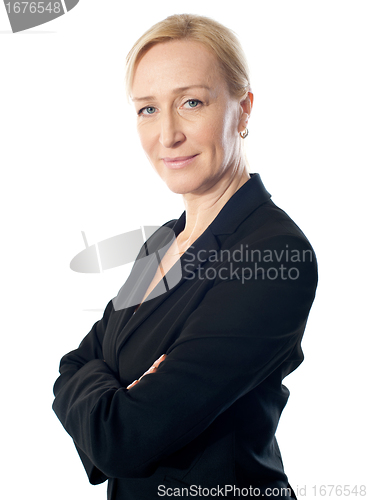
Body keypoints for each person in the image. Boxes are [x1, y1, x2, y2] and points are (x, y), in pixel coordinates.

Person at [53, 13, 318, 500]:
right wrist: (110, 394)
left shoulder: (275, 253)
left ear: (244, 111)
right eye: (147, 109)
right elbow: (73, 364)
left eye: (191, 102)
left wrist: (109, 403)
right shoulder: (159, 245)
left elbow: (122, 438)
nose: (167, 134)